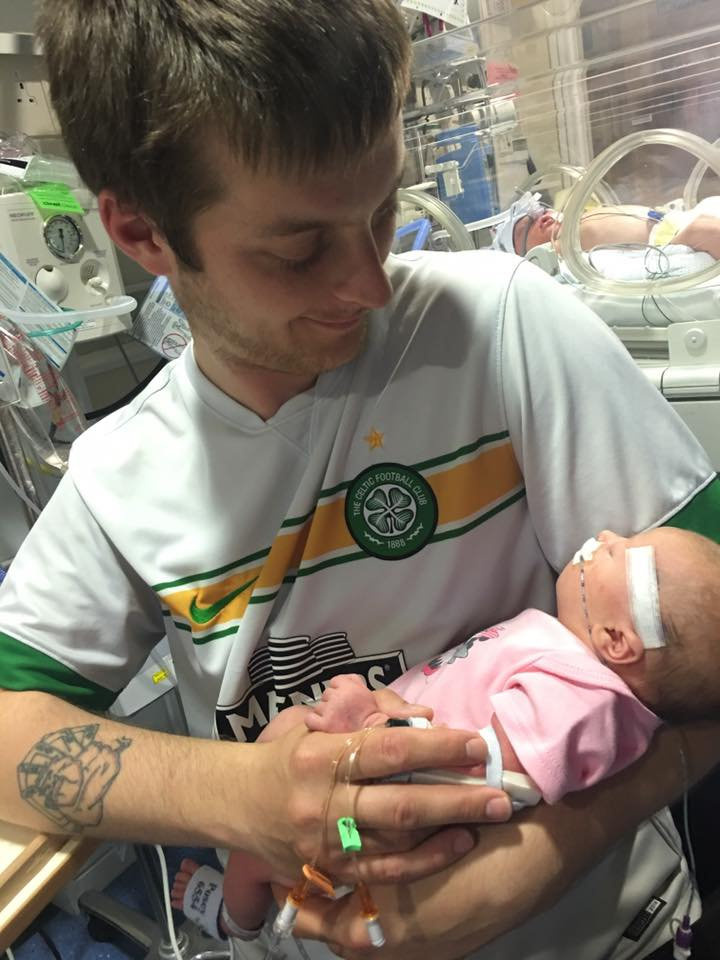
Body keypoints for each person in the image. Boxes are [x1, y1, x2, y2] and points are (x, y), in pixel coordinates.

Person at [0, 2, 718, 959]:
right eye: (299, 251)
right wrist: (249, 798)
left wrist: (554, 847)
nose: (372, 284)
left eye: (381, 210)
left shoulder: (504, 330)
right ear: (143, 233)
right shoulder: (116, 480)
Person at [169, 525, 720, 943]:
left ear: (618, 639)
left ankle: (236, 922)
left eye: (618, 553)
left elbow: (480, 777)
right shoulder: (577, 670)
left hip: (379, 818)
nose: (602, 536)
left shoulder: (584, 700)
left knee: (258, 837)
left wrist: (371, 726)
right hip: (382, 780)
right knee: (278, 763)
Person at [492, 190, 720, 259]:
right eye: (523, 230)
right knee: (706, 229)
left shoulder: (577, 217)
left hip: (673, 220)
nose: (540, 218)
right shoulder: (560, 249)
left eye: (539, 211)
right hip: (669, 242)